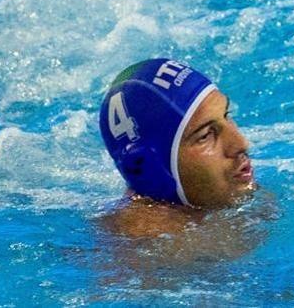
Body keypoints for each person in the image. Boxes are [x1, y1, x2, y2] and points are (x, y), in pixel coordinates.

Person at [98, 59, 256, 237]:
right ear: (152, 171)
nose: (242, 144)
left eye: (226, 115)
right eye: (205, 135)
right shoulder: (150, 251)